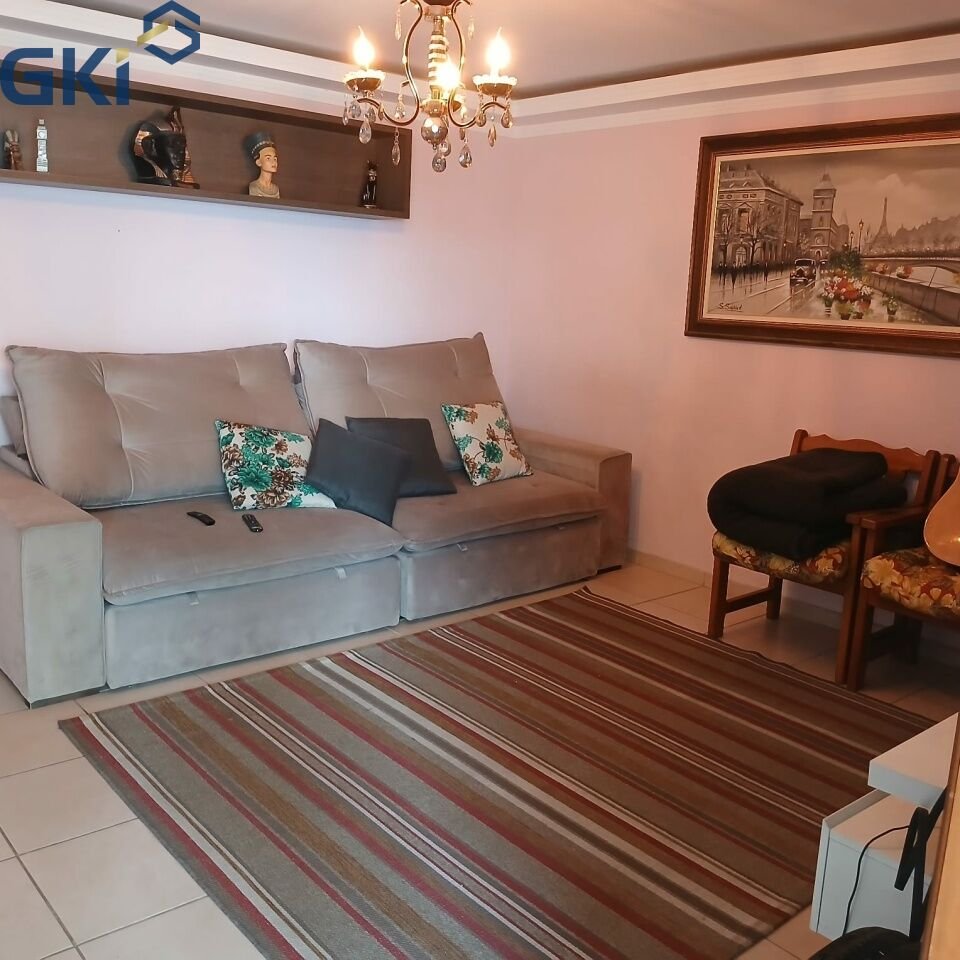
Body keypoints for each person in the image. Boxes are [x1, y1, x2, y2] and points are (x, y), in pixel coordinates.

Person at [246, 133, 280, 199]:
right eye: (268, 158)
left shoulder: (276, 189)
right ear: (258, 162)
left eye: (275, 159)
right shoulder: (254, 187)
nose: (273, 162)